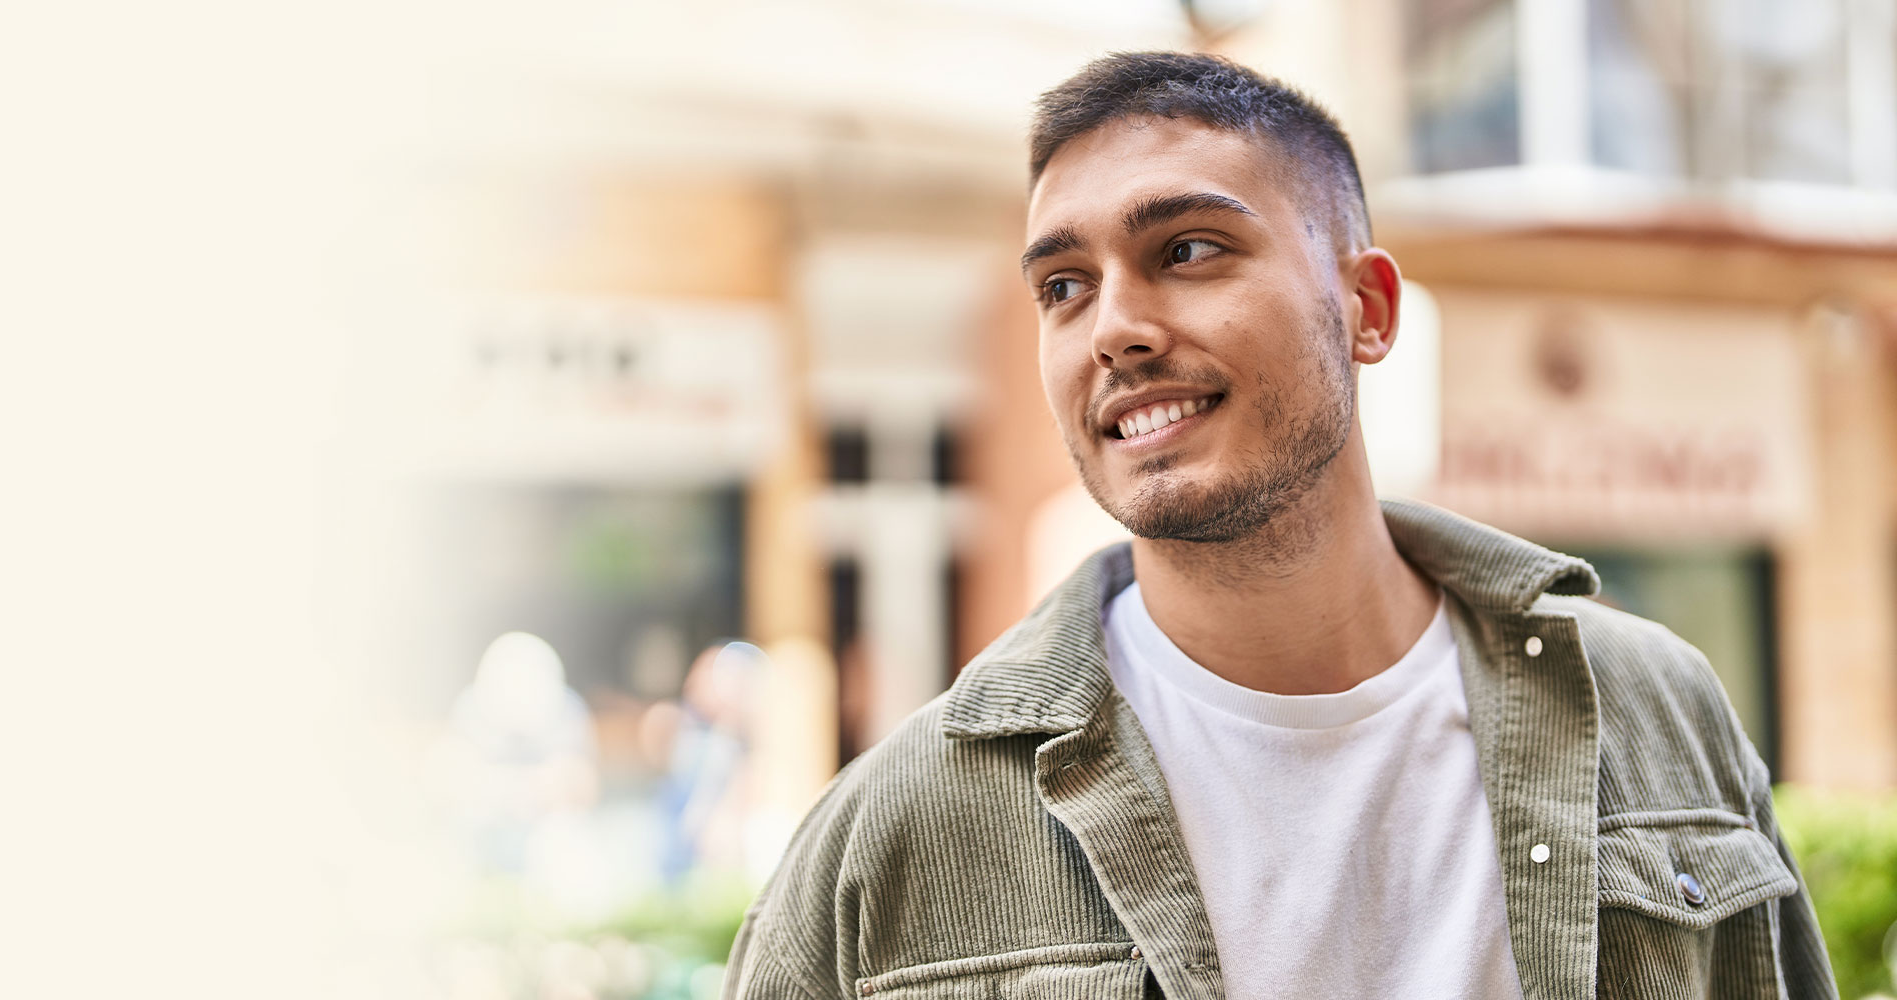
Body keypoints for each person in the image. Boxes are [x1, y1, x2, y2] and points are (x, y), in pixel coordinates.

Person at [721, 52, 1837, 999]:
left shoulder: (1651, 707)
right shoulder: (899, 830)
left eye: (1187, 250)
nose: (1113, 327)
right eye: (1062, 284)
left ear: (1365, 309)